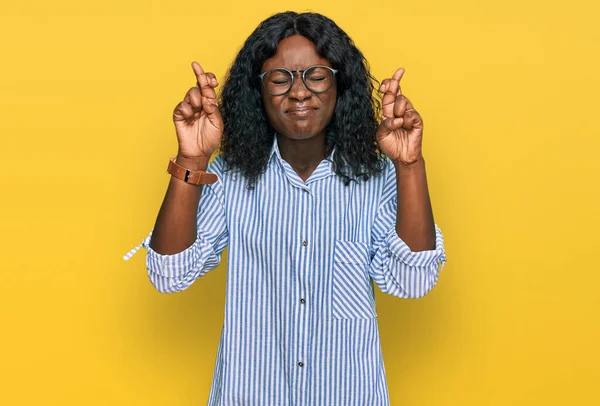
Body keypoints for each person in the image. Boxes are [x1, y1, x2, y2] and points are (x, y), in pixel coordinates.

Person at [124, 11, 447, 405]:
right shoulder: (231, 178)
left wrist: (409, 165)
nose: (298, 92)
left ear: (338, 84)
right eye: (280, 79)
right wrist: (192, 159)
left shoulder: (376, 179)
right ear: (257, 92)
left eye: (315, 75)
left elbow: (413, 282)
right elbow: (168, 274)